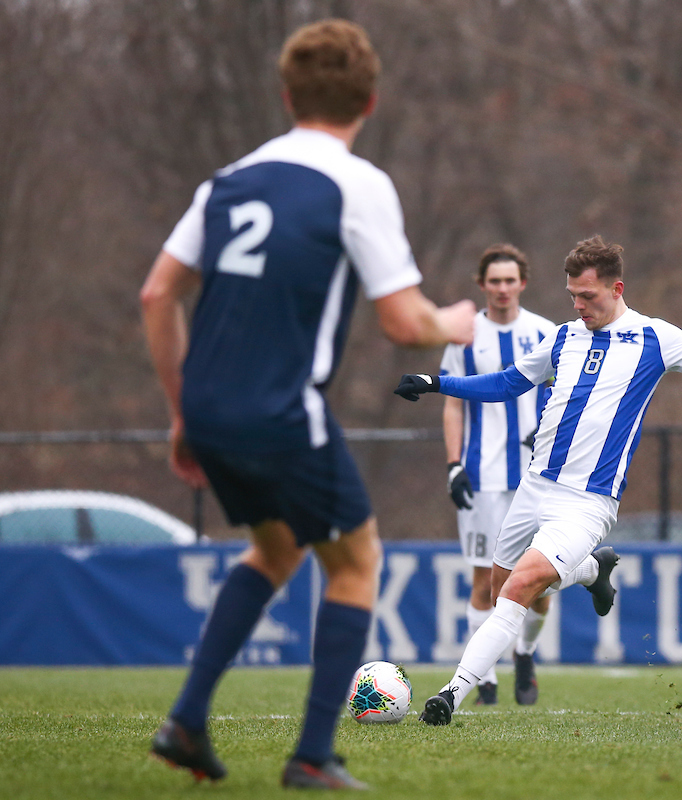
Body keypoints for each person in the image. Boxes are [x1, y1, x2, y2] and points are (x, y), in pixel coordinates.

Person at [139, 19, 475, 788]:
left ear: (287, 95)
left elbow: (158, 293)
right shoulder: (357, 184)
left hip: (213, 407)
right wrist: (452, 322)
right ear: (370, 102)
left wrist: (183, 411)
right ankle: (313, 756)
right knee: (356, 562)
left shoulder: (227, 180)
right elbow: (404, 323)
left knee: (278, 548)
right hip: (282, 412)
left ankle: (187, 722)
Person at [395, 235, 682, 725]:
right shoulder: (564, 337)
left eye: (587, 296)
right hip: (534, 486)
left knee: (519, 588)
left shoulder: (656, 338)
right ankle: (589, 572)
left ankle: (449, 696)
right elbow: (509, 382)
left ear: (616, 288)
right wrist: (436, 383)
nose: (578, 306)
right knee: (502, 592)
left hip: (586, 502)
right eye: (572, 296)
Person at [441, 243, 557, 706]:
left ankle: (524, 653)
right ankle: (484, 678)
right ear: (482, 284)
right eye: (495, 281)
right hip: (482, 476)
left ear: (522, 283)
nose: (503, 288)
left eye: (510, 280)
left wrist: (547, 432)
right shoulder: (464, 337)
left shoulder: (546, 332)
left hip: (537, 476)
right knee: (483, 581)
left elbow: (563, 393)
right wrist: (453, 464)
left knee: (540, 585)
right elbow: (453, 404)